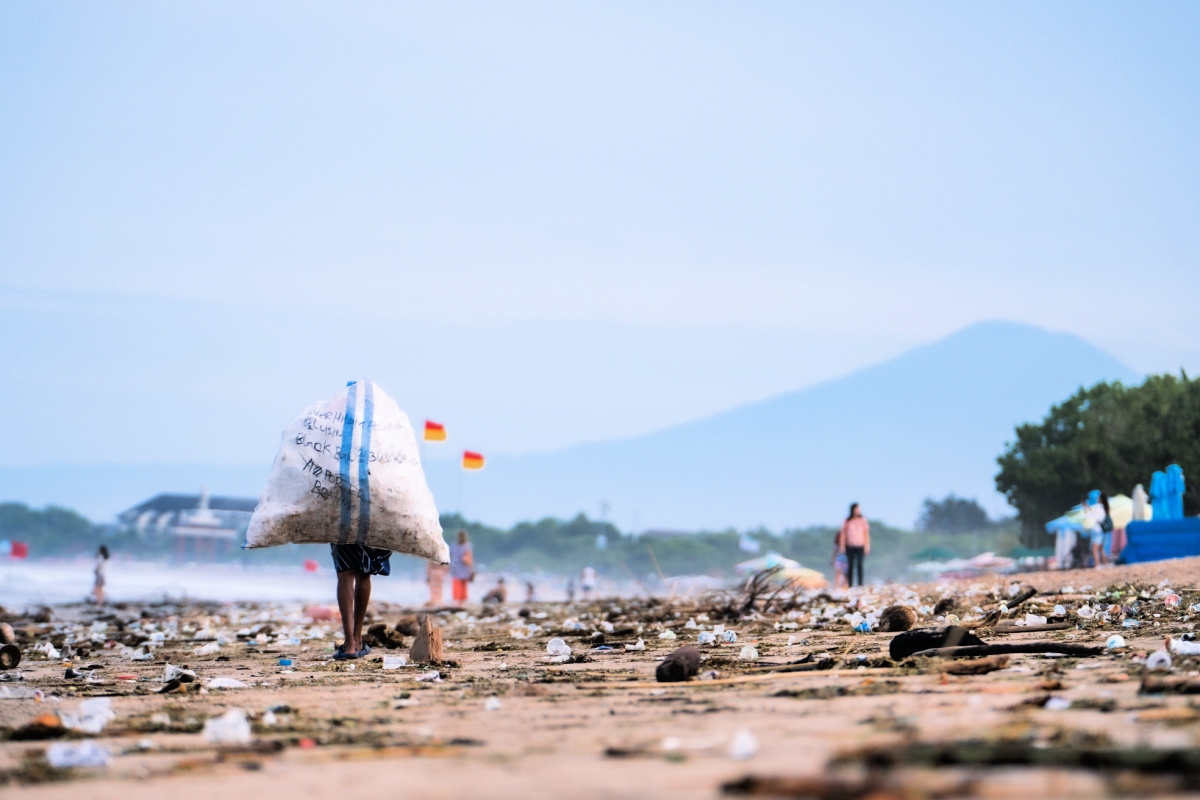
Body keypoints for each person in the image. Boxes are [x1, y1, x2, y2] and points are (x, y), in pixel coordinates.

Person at [330, 542, 391, 660]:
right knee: (364, 570)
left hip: (344, 525)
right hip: (369, 525)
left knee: (345, 572)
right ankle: (357, 641)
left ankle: (349, 645)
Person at [837, 503, 870, 587]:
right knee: (850, 565)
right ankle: (850, 584)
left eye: (859, 509)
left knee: (859, 564)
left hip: (860, 545)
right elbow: (843, 533)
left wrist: (867, 545)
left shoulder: (863, 520)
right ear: (853, 510)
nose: (858, 510)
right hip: (849, 546)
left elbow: (866, 533)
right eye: (857, 509)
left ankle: (860, 584)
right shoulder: (847, 520)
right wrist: (842, 545)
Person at [449, 529, 474, 606]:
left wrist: (471, 570)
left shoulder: (468, 545)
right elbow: (450, 556)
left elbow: (470, 558)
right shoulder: (454, 545)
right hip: (456, 567)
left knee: (463, 584)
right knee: (457, 584)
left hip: (465, 567)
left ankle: (463, 600)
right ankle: (456, 600)